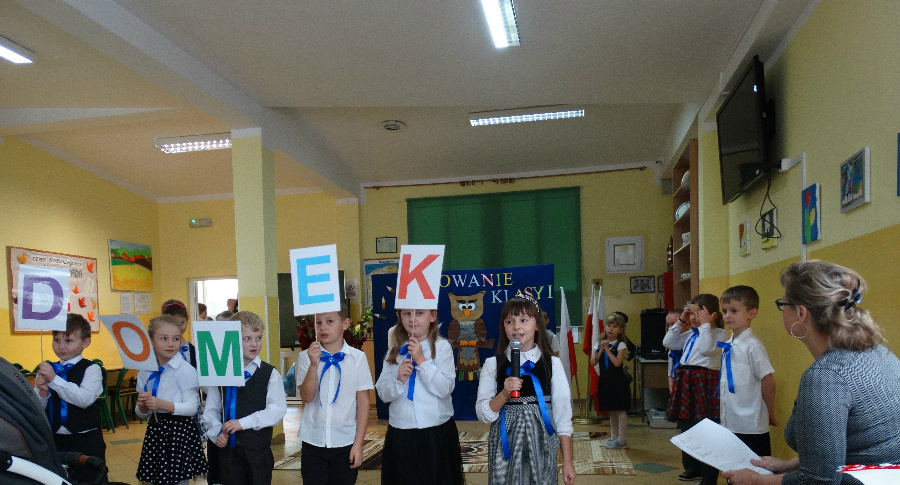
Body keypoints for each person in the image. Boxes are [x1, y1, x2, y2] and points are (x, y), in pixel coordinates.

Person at [724, 260, 900, 485]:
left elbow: (819, 480)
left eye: (783, 304)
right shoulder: (880, 353)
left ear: (801, 313)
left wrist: (755, 480)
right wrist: (789, 465)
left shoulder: (825, 377)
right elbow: (850, 443)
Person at [476, 294, 576, 485]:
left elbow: (563, 415)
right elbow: (483, 414)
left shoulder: (552, 364)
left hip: (541, 440)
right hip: (505, 441)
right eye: (509, 321)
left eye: (524, 320)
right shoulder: (493, 364)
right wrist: (504, 394)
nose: (516, 327)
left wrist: (567, 461)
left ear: (537, 325)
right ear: (503, 327)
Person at [376, 308, 463, 485]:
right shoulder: (394, 350)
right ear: (399, 317)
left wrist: (422, 361)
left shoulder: (442, 347)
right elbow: (382, 393)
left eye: (419, 313)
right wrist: (398, 380)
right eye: (406, 314)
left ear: (432, 316)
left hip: (436, 433)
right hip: (402, 433)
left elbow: (445, 388)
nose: (412, 319)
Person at [201, 311, 287, 485]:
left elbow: (276, 411)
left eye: (258, 338)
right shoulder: (221, 374)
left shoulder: (270, 374)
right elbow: (211, 411)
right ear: (232, 339)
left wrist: (242, 423)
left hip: (257, 455)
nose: (254, 344)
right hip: (228, 456)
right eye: (246, 339)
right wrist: (216, 432)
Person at [297, 304, 373, 485]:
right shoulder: (305, 357)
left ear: (345, 324)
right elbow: (307, 397)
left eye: (329, 321)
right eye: (318, 323)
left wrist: (358, 444)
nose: (323, 327)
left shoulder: (357, 358)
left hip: (345, 441)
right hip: (313, 440)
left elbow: (363, 403)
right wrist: (313, 365)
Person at [663, 294, 728, 484]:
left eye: (696, 313)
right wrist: (681, 320)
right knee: (687, 426)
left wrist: (706, 325)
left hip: (704, 382)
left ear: (711, 315)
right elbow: (669, 342)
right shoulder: (692, 333)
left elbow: (707, 349)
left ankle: (709, 478)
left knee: (707, 430)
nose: (692, 317)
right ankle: (693, 468)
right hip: (687, 380)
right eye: (690, 313)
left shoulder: (720, 334)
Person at [135, 315, 208, 485]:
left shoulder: (184, 370)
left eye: (176, 339)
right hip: (156, 431)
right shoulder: (144, 371)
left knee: (178, 480)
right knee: (156, 479)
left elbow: (191, 407)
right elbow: (141, 413)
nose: (171, 344)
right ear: (151, 340)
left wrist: (161, 404)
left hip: (179, 432)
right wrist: (144, 407)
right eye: (164, 338)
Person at [34, 313, 105, 483]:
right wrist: (42, 391)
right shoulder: (49, 368)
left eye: (68, 341)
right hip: (56, 439)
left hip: (85, 440)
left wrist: (54, 380)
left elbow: (84, 399)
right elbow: (37, 408)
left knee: (89, 478)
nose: (61, 346)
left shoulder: (92, 369)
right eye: (56, 340)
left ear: (85, 342)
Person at [718, 285, 776, 458]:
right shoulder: (728, 344)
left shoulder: (753, 346)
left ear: (752, 313)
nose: (727, 316)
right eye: (724, 311)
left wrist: (770, 412)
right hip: (730, 421)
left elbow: (768, 381)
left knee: (754, 467)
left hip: (750, 424)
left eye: (734, 311)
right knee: (732, 466)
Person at [590, 312, 630, 448]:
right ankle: (613, 438)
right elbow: (593, 362)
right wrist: (601, 349)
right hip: (605, 381)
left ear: (620, 330)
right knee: (611, 410)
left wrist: (607, 349)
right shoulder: (599, 343)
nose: (610, 329)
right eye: (608, 325)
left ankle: (622, 440)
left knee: (620, 410)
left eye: (615, 326)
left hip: (618, 382)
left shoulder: (620, 344)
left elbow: (617, 363)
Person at [161, 299, 197, 367]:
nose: (178, 328)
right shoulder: (158, 347)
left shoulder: (193, 350)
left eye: (182, 323)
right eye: (173, 323)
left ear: (187, 319)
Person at [663, 310, 685, 393]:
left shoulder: (690, 339)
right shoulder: (671, 344)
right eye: (668, 325)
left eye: (673, 324)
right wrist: (671, 388)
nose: (670, 328)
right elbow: (670, 370)